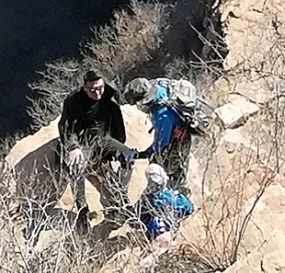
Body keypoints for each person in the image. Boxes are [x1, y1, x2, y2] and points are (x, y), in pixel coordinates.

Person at [59, 69, 131, 218]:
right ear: (84, 87)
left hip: (104, 138)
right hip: (84, 140)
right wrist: (73, 147)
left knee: (129, 155)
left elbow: (116, 117)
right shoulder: (73, 101)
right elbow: (66, 127)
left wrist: (119, 141)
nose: (97, 93)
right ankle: (82, 210)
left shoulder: (110, 94)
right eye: (92, 90)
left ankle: (120, 194)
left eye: (100, 88)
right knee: (76, 168)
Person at [138, 163, 194, 241]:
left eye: (153, 182)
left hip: (174, 233)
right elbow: (139, 218)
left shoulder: (173, 196)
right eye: (150, 181)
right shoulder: (146, 199)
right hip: (155, 238)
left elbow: (189, 209)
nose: (151, 184)